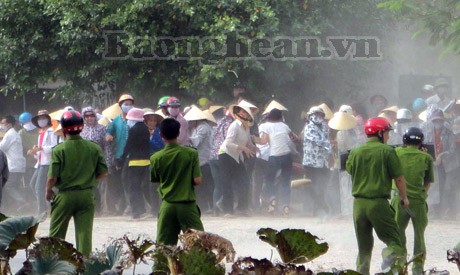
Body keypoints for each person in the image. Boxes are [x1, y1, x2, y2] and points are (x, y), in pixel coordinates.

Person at [346, 117, 409, 275]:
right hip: (378, 204)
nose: (388, 136)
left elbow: (349, 169)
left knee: (364, 247)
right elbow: (399, 178)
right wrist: (404, 198)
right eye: (387, 132)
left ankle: (361, 272)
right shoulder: (387, 151)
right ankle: (388, 268)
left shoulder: (355, 152)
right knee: (394, 241)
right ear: (380, 133)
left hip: (359, 205)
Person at [46, 110, 108, 256]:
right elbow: (104, 173)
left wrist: (48, 190)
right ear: (81, 127)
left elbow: (52, 178)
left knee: (56, 235)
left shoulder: (59, 149)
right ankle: (84, 267)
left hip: (65, 196)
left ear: (63, 129)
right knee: (84, 235)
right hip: (86, 196)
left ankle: (52, 265)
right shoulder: (94, 147)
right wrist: (89, 181)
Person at [150, 118, 204, 245]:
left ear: (161, 135)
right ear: (178, 133)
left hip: (167, 206)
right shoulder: (191, 153)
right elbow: (197, 180)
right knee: (198, 246)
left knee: (165, 248)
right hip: (187, 206)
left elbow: (155, 179)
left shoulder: (155, 158)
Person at [391, 127, 434, 274]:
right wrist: (421, 195)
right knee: (419, 236)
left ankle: (400, 266)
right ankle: (418, 269)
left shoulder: (396, 152)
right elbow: (428, 182)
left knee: (398, 234)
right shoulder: (427, 158)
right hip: (418, 202)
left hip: (399, 200)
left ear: (404, 140)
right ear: (421, 142)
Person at [253, 108, 297, 216]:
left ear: (269, 117)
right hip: (287, 156)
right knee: (285, 182)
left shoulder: (266, 126)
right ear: (280, 117)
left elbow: (263, 142)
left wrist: (253, 138)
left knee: (268, 180)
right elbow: (294, 137)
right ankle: (286, 205)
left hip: (274, 156)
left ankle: (272, 198)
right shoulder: (284, 126)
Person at [218, 103, 257, 217]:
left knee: (244, 181)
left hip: (237, 156)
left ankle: (242, 208)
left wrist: (254, 148)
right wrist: (244, 148)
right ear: (239, 113)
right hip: (226, 155)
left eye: (247, 112)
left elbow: (248, 142)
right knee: (227, 183)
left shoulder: (246, 128)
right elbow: (228, 143)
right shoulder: (234, 126)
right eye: (243, 112)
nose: (246, 114)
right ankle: (227, 210)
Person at [120, 108, 151, 220]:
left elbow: (128, 146)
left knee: (133, 187)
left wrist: (121, 159)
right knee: (144, 186)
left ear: (132, 119)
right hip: (146, 161)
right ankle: (149, 209)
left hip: (134, 162)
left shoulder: (133, 130)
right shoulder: (146, 129)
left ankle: (136, 212)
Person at [106, 94, 134, 215]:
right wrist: (108, 135)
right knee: (119, 182)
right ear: (120, 106)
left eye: (130, 104)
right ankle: (122, 205)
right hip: (119, 155)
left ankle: (130, 205)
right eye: (125, 104)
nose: (128, 106)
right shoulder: (116, 119)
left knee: (127, 180)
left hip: (131, 155)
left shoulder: (134, 119)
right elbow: (109, 130)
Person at [302, 106, 332, 217]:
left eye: (320, 115)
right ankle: (322, 206)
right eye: (316, 114)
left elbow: (326, 139)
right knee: (312, 185)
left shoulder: (324, 127)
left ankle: (319, 208)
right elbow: (316, 140)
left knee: (323, 185)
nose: (318, 117)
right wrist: (329, 145)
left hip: (323, 162)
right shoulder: (309, 127)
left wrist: (329, 148)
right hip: (311, 162)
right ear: (311, 115)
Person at [29, 110, 58, 215]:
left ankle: (42, 211)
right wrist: (34, 151)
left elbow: (54, 147)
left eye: (43, 118)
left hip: (47, 162)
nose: (41, 120)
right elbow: (39, 151)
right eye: (39, 118)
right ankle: (48, 205)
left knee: (38, 187)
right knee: (33, 185)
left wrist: (41, 148)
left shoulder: (51, 131)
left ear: (48, 119)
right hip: (40, 162)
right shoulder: (41, 133)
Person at [0, 115, 27, 211]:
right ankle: (17, 207)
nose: (1, 125)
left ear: (9, 124)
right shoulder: (13, 134)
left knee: (7, 186)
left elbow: (1, 148)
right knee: (14, 186)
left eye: (3, 123)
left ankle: (22, 201)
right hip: (18, 166)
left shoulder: (10, 134)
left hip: (13, 166)